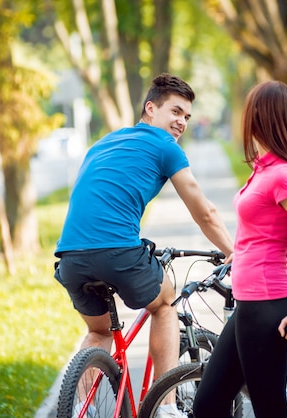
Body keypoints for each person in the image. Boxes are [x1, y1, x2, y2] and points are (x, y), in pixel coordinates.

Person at [53, 73, 234, 418]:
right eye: (175, 112)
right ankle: (166, 408)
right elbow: (204, 211)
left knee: (99, 330)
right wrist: (233, 251)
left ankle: (79, 410)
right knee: (165, 303)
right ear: (150, 108)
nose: (181, 122)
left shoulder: (103, 143)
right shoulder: (165, 146)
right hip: (117, 251)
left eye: (187, 117)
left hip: (71, 257)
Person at [192, 80, 287, 417]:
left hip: (268, 306)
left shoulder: (284, 176)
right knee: (208, 405)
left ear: (262, 118)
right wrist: (238, 255)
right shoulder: (263, 170)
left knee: (269, 410)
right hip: (249, 306)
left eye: (251, 113)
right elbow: (261, 232)